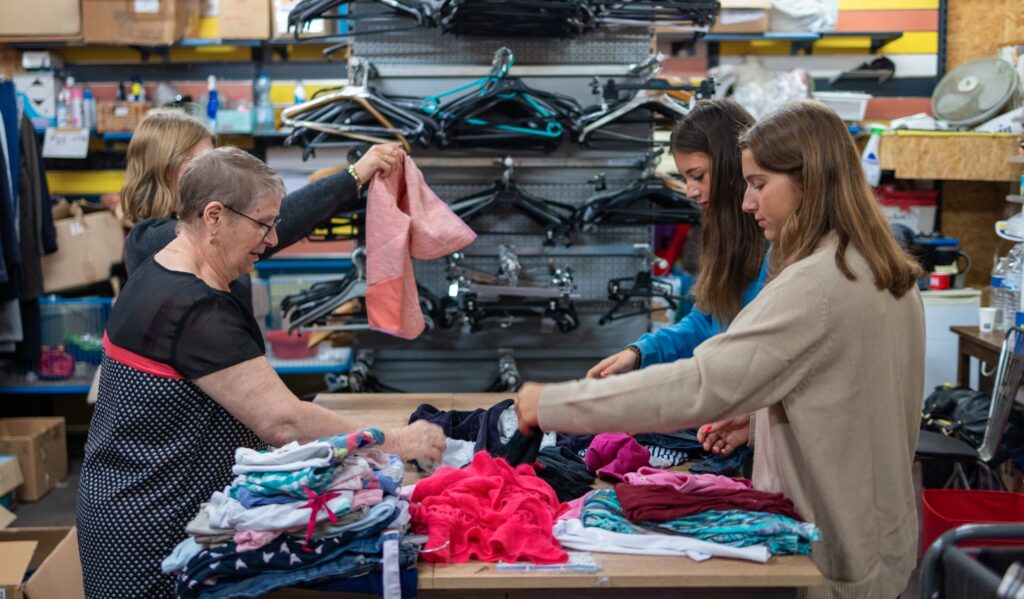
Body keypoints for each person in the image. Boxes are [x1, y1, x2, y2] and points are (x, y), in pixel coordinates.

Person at [516, 101, 925, 598]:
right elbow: (854, 399)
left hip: (831, 552)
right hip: (882, 539)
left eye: (759, 184)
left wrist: (556, 404)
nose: (748, 203)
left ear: (808, 180)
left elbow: (700, 384)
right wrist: (756, 422)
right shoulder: (879, 268)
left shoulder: (815, 286)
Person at [77, 147, 446, 598]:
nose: (272, 239)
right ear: (214, 216)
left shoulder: (159, 269)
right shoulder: (194, 311)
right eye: (263, 224)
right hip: (156, 526)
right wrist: (398, 439)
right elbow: (282, 420)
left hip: (128, 505)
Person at [587, 99, 766, 456]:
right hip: (734, 424)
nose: (690, 191)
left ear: (733, 166)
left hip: (757, 428)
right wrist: (640, 353)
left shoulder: (776, 244)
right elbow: (710, 319)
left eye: (698, 176)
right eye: (684, 178)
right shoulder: (728, 234)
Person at [118, 107, 403, 309]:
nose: (215, 171)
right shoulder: (148, 241)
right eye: (204, 161)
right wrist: (353, 176)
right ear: (168, 169)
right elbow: (275, 219)